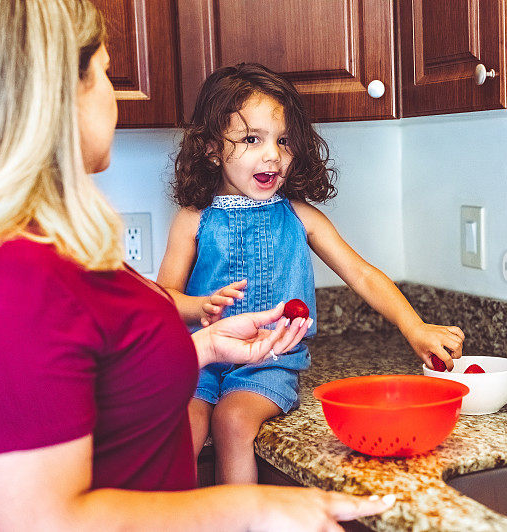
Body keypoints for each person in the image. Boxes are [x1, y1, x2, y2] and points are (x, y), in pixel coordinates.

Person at [0, 1, 393, 530]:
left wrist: (208, 345)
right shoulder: (1, 280)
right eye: (103, 71)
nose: (114, 93)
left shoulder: (39, 249)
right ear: (55, 96)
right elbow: (48, 522)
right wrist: (254, 507)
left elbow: (90, 377)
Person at [157, 63, 466, 485]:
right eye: (252, 139)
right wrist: (196, 306)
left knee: (232, 421)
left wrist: (413, 326)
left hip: (268, 363)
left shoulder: (301, 217)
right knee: (182, 428)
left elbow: (360, 274)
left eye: (283, 141)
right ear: (212, 149)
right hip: (202, 361)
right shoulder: (193, 219)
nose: (273, 155)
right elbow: (163, 297)